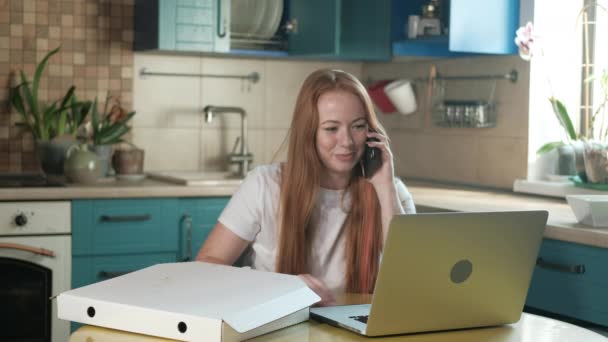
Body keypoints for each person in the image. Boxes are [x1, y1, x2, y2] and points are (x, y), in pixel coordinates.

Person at [196, 69, 416, 306]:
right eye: (331, 129)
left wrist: (384, 187)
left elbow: (412, 277)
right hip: (278, 323)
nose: (348, 142)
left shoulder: (390, 191)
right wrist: (281, 286)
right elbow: (206, 265)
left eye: (358, 126)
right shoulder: (264, 185)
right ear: (308, 133)